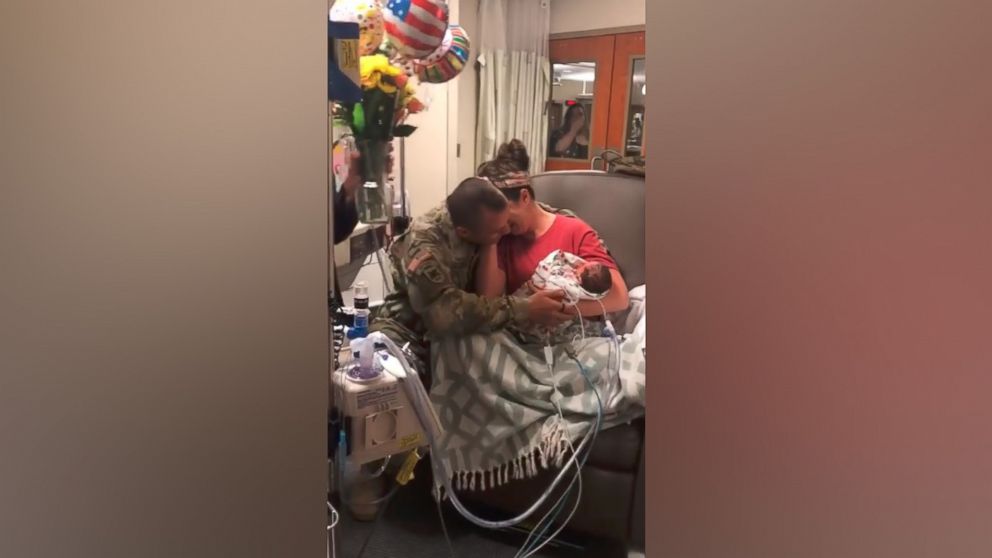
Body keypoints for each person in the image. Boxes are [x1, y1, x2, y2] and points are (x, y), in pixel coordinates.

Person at [368, 176, 573, 373]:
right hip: (410, 333)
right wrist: (524, 308)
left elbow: (536, 213)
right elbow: (444, 314)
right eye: (497, 232)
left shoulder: (483, 213)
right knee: (401, 385)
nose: (507, 233)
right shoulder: (425, 245)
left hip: (458, 336)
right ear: (464, 233)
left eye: (507, 224)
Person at [474, 152, 630, 321]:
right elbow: (488, 301)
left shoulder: (574, 231)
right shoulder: (503, 240)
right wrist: (490, 239)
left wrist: (561, 308)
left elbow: (620, 298)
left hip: (574, 334)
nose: (502, 226)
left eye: (504, 214)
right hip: (526, 334)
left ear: (524, 197)